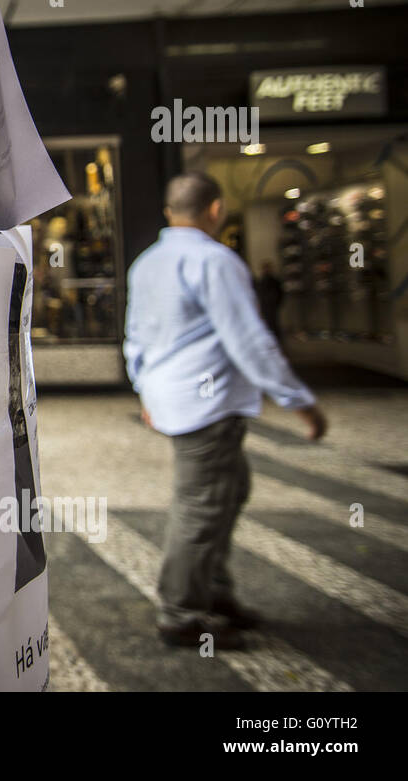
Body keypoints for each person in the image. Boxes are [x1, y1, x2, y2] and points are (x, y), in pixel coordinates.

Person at [123, 173, 326, 650]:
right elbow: (249, 340)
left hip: (176, 396)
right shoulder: (216, 261)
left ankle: (214, 594)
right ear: (215, 210)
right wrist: (300, 401)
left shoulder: (147, 263)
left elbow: (136, 336)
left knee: (230, 489)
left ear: (171, 211)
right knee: (202, 504)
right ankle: (180, 614)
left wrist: (145, 392)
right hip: (205, 403)